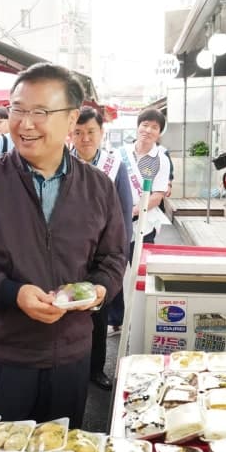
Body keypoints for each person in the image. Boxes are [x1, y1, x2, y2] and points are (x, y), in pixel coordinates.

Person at [0, 63, 126, 426]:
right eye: (17, 110)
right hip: (3, 356)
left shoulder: (98, 187)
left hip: (71, 356)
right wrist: (12, 293)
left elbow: (114, 257)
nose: (25, 123)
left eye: (39, 112)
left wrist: (97, 290)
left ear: (72, 119)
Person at [70, 107, 133, 391]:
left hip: (103, 253)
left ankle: (96, 369)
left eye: (91, 132)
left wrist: (121, 253)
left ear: (101, 133)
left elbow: (124, 211)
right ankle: (72, 367)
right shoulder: (61, 163)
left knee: (99, 312)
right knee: (70, 309)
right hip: (69, 253)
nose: (85, 139)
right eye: (79, 133)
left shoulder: (114, 165)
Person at [108, 108, 172, 335]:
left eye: (154, 127)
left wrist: (134, 211)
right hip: (116, 223)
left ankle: (144, 319)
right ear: (137, 126)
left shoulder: (161, 160)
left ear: (159, 132)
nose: (148, 130)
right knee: (114, 270)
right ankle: (116, 320)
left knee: (143, 273)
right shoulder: (118, 153)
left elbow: (158, 194)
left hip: (144, 224)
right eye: (145, 124)